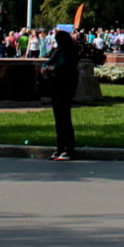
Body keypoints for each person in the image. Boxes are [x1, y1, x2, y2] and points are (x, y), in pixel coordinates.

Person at [41, 30, 80, 161]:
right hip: (56, 87)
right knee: (58, 120)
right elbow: (48, 62)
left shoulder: (71, 53)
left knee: (65, 119)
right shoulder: (58, 52)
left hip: (65, 87)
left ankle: (69, 149)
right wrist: (45, 67)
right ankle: (59, 148)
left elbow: (65, 67)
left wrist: (54, 69)